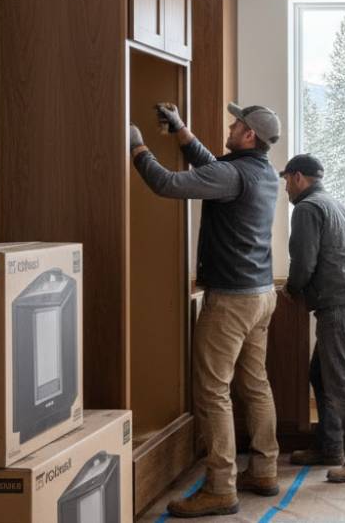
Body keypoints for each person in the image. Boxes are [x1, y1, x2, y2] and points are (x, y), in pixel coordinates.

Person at [129, 102, 282, 517]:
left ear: (249, 135)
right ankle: (264, 471)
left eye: (237, 124)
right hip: (261, 294)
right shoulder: (264, 172)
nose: (230, 126)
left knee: (213, 392)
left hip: (231, 301)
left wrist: (137, 147)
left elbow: (166, 184)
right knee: (255, 385)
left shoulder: (233, 175)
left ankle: (220, 487)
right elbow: (213, 167)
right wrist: (181, 130)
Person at [280, 153, 345, 483]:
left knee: (340, 381)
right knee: (322, 375)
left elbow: (303, 262)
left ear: (298, 177)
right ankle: (329, 446)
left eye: (286, 180)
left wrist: (291, 289)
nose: (285, 188)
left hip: (340, 305)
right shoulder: (335, 204)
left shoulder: (307, 208)